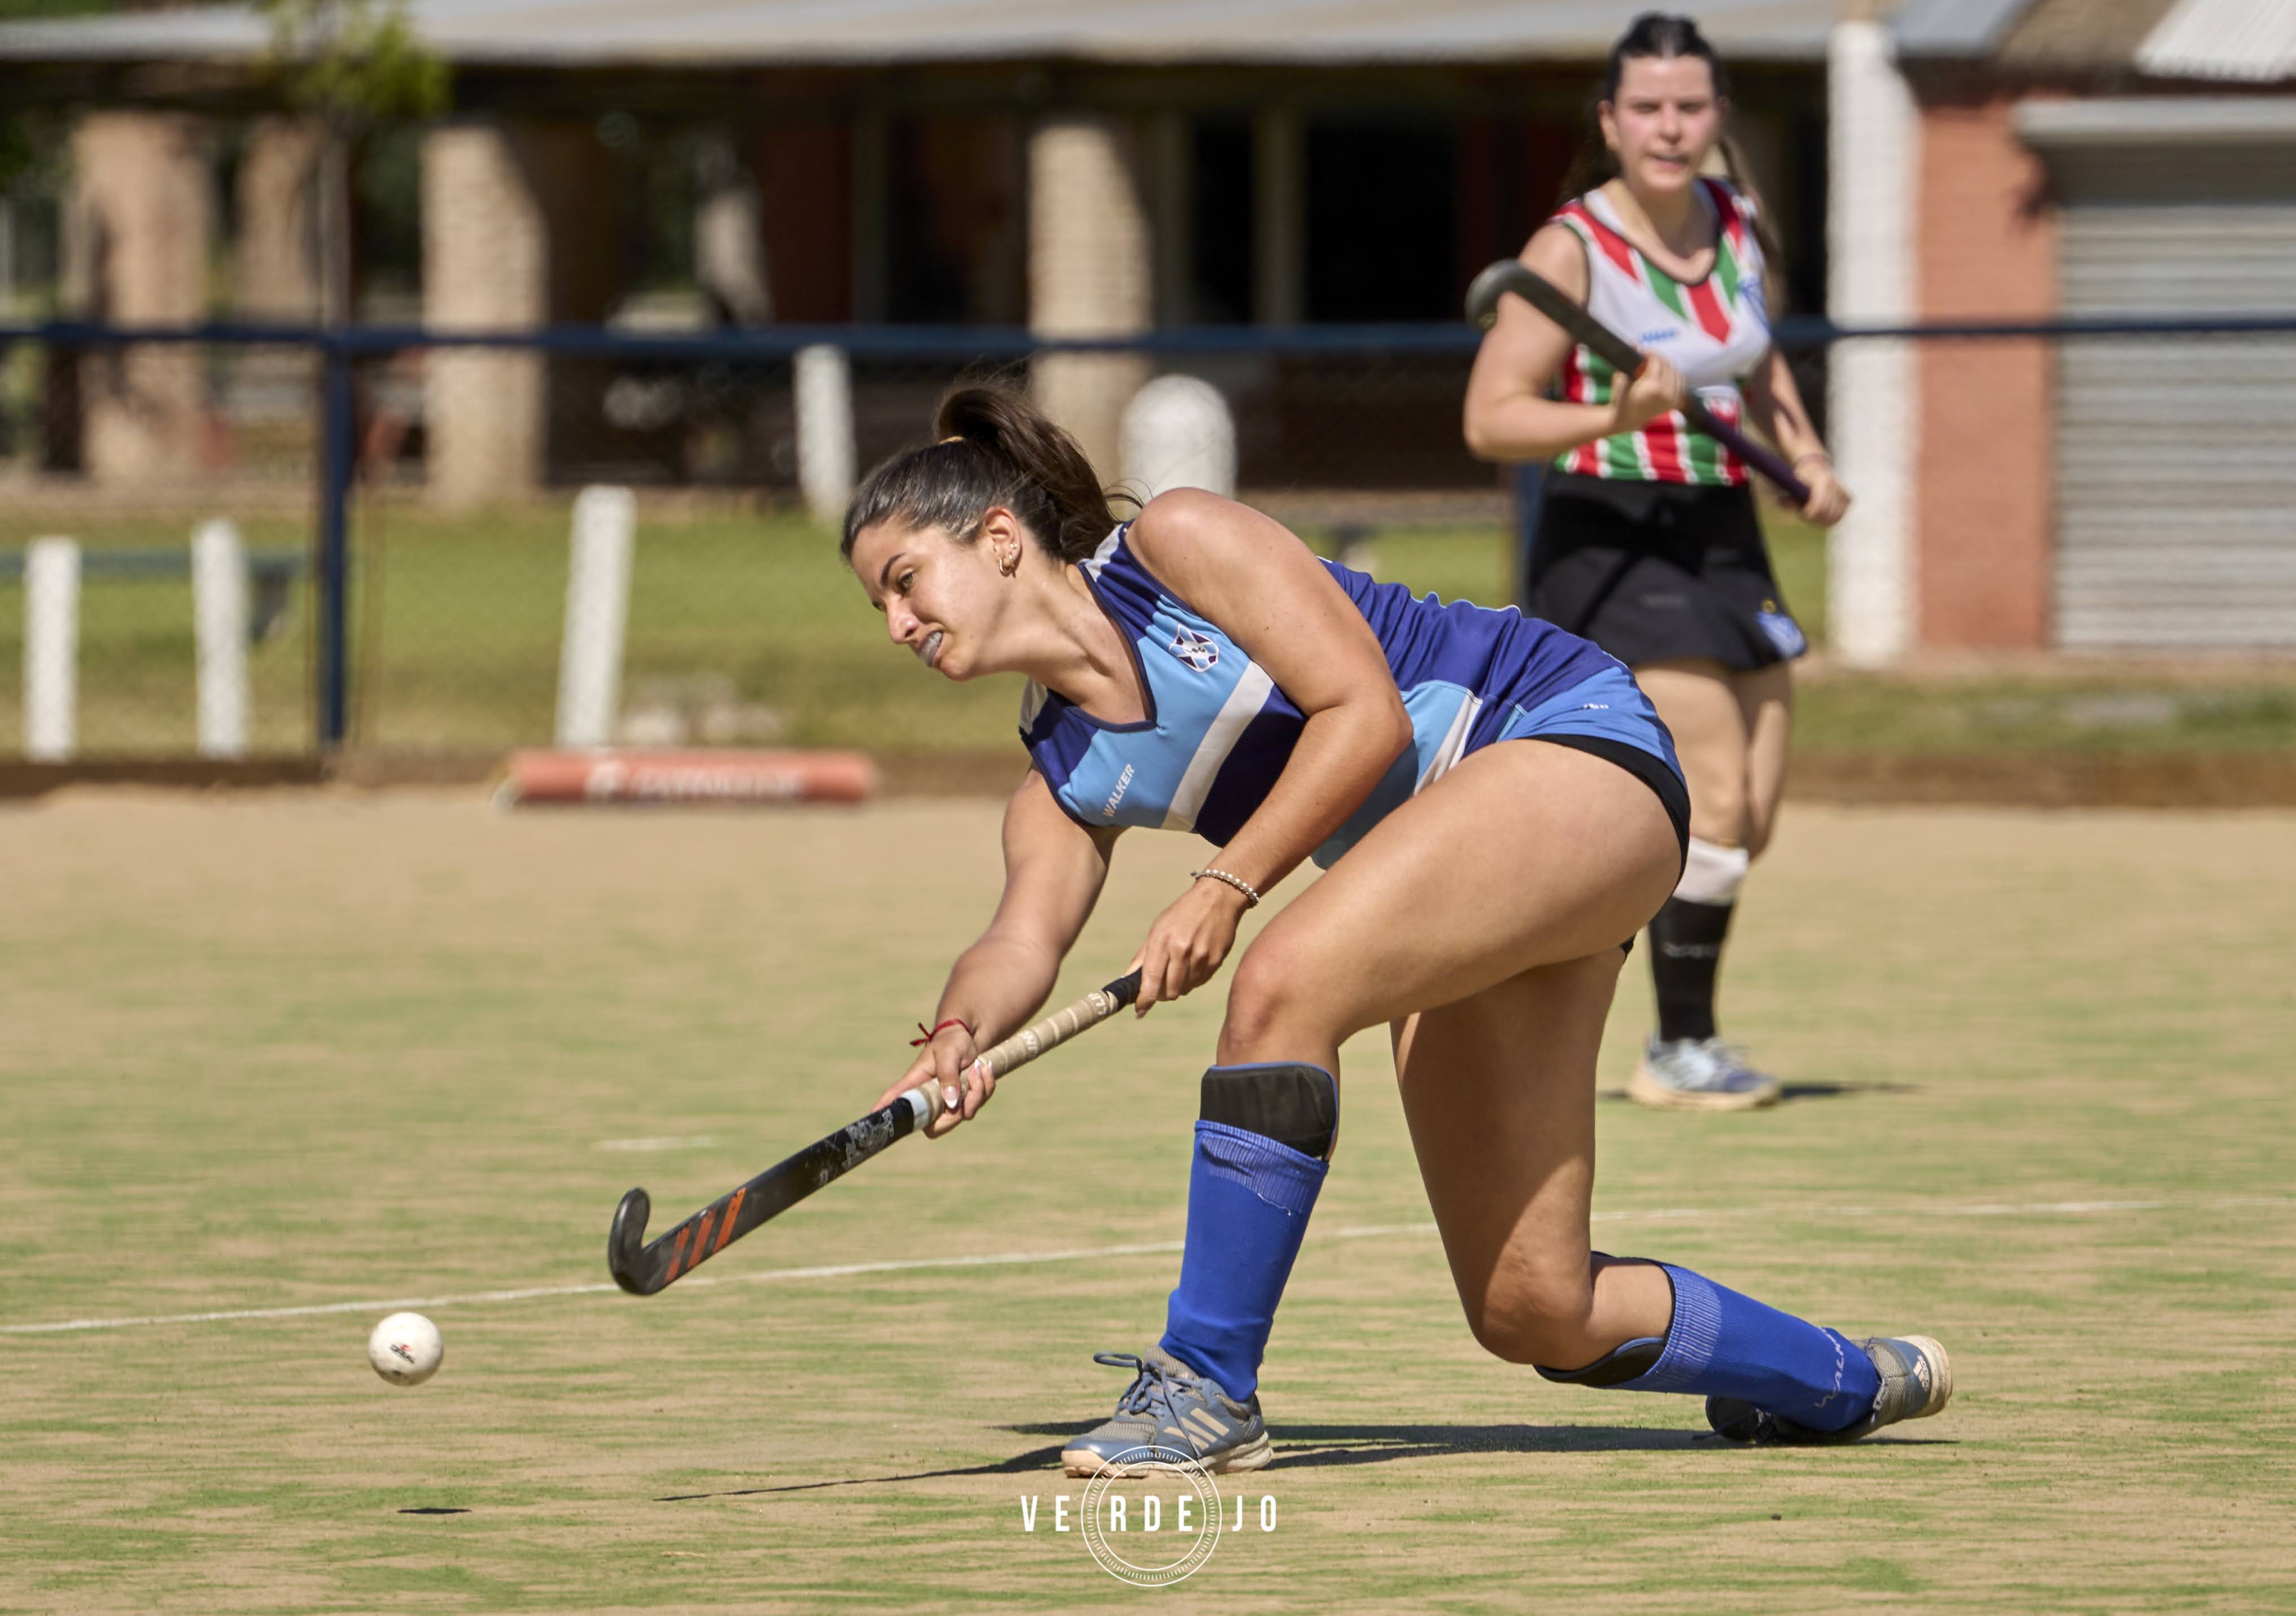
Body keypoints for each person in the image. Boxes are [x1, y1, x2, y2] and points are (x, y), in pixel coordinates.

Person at [842, 381, 1949, 1475]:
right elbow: (1019, 944)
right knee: (1534, 1307)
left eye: (905, 581)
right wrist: (955, 1040)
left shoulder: (1175, 545)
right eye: (878, 609)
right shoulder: (1061, 771)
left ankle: (1202, 1385)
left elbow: (1362, 712)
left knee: (1282, 985)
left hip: (1572, 746)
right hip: (1460, 879)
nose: (895, 625)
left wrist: (1225, 884)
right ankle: (1843, 1382)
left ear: (996, 538)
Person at [1464, 12, 1849, 1111]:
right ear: (1610, 120)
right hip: (1612, 533)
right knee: (1714, 789)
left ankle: (1559, 952)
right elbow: (1491, 420)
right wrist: (1610, 416)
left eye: (1690, 107)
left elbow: (1757, 359)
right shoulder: (1571, 249)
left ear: (1717, 117)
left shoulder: (1737, 217)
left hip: (1723, 524)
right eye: (1647, 108)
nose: (1669, 128)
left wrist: (1806, 456)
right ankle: (1680, 1049)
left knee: (1752, 811)